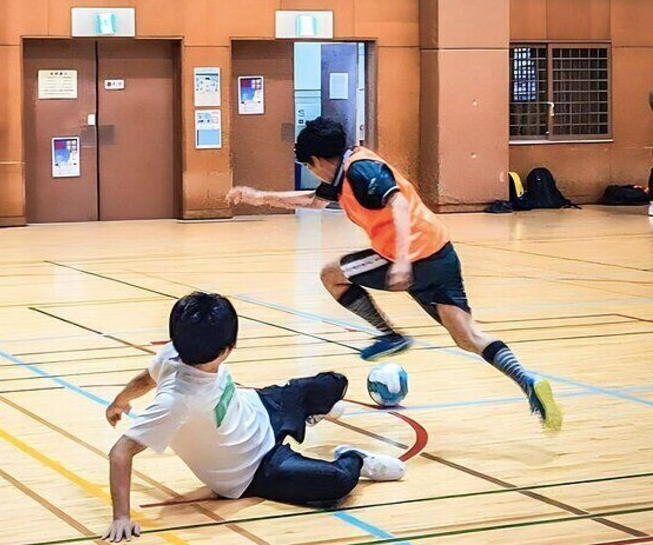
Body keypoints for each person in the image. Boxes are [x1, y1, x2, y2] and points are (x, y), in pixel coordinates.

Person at [226, 117, 562, 432]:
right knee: (467, 336)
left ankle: (390, 335)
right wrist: (259, 197)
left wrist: (401, 261)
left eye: (309, 167)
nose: (313, 174)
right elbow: (314, 201)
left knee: (332, 274)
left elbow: (398, 203)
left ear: (318, 160)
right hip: (440, 253)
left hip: (412, 257)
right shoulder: (344, 173)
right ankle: (529, 381)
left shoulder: (361, 170)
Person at [103, 292, 405, 543]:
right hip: (253, 469)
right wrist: (121, 517)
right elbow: (120, 453)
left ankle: (309, 414)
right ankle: (358, 459)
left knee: (334, 383)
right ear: (228, 348)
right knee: (337, 482)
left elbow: (146, 378)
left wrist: (119, 401)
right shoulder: (177, 401)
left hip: (261, 406)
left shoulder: (174, 351)